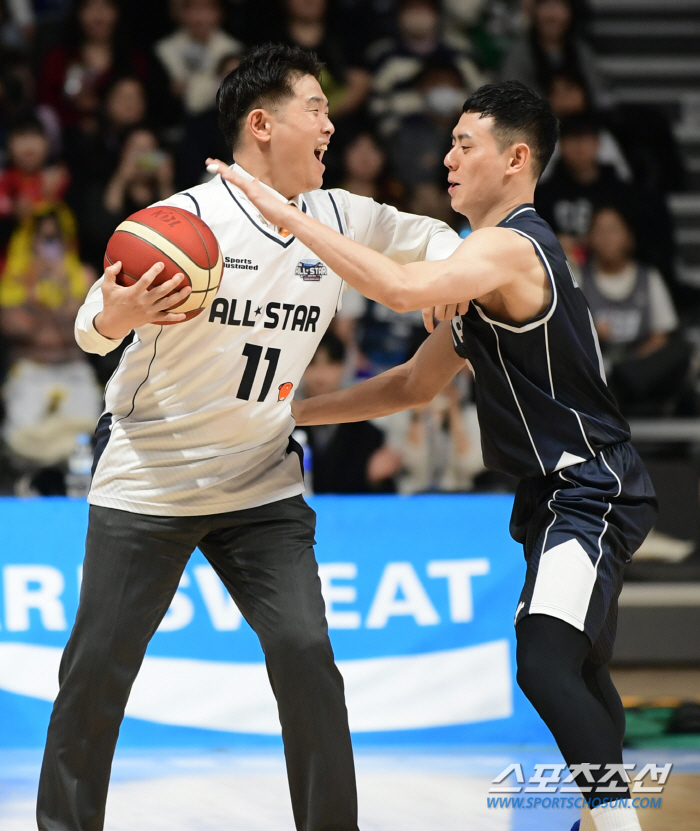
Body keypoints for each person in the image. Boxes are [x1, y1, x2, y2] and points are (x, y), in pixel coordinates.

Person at [36, 43, 461, 831]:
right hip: (149, 478)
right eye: (316, 108)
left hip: (261, 482)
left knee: (306, 656)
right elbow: (90, 329)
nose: (333, 123)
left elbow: (430, 237)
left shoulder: (340, 216)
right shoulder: (182, 222)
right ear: (261, 124)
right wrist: (121, 315)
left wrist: (449, 282)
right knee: (94, 673)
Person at [220, 80, 658, 831]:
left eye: (464, 144)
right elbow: (409, 384)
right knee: (579, 671)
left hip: (590, 484)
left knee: (545, 661)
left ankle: (618, 822)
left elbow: (395, 284)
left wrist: (285, 215)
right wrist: (291, 411)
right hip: (558, 493)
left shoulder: (511, 246)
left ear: (516, 158)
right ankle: (603, 818)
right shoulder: (480, 271)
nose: (446, 158)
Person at [0, 206, 101, 468]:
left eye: (55, 238)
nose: (50, 246)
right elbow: (17, 330)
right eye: (43, 239)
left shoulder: (84, 276)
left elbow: (85, 332)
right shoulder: (15, 278)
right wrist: (37, 298)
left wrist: (65, 290)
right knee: (19, 435)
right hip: (32, 371)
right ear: (31, 241)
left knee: (86, 432)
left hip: (74, 370)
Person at [579, 206, 689, 416]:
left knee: (680, 349)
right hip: (597, 371)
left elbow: (661, 337)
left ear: (629, 237)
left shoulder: (648, 277)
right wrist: (590, 330)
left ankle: (621, 377)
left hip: (639, 369)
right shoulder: (578, 278)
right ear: (590, 237)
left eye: (612, 230)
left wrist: (632, 362)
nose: (606, 237)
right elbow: (565, 335)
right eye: (599, 230)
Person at [301, 331, 400, 493]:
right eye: (312, 364)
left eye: (330, 363)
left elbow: (385, 491)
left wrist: (373, 477)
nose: (321, 373)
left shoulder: (368, 434)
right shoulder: (283, 428)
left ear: (342, 367)